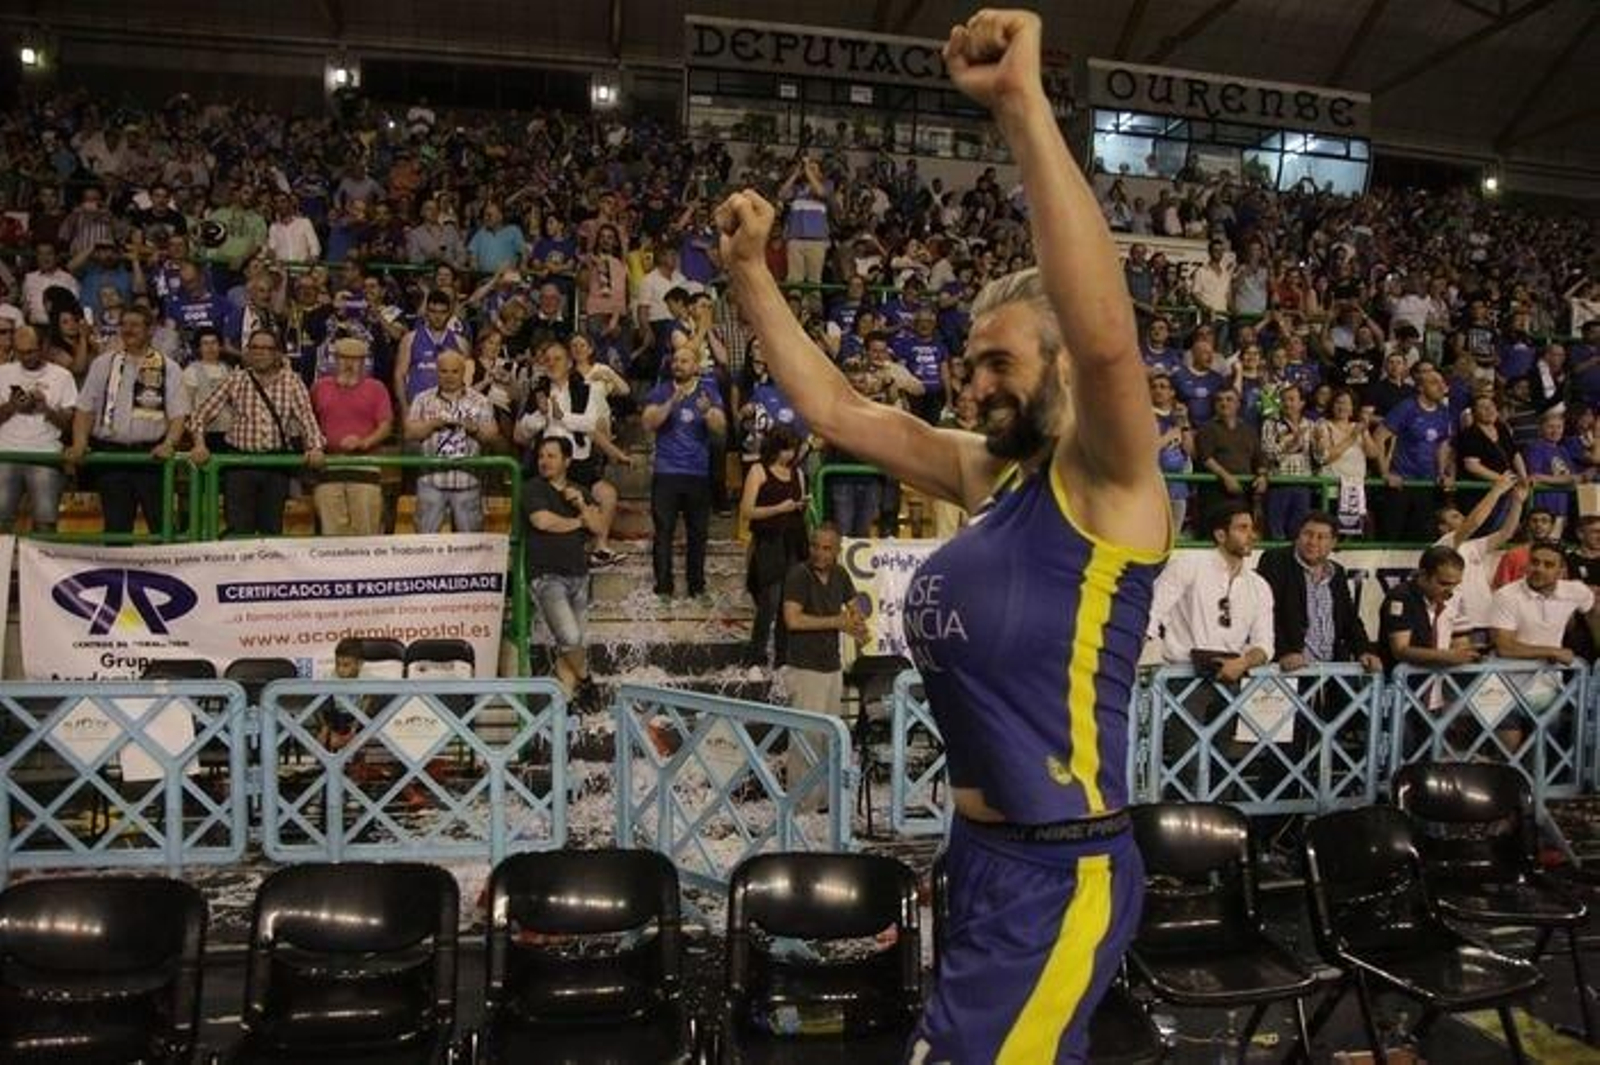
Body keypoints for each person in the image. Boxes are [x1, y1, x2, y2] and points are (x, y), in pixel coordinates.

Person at [717, 11, 1170, 1060]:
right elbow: (835, 411)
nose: (973, 385)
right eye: (968, 364)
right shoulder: (989, 476)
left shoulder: (1111, 484)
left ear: (1059, 366)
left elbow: (1106, 338)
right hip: (984, 858)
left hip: (1064, 872)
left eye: (999, 364)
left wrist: (1020, 106)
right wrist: (749, 271)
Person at [188, 329, 327, 536]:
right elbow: (200, 415)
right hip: (239, 464)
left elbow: (307, 419)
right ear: (248, 352)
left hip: (275, 465)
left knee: (271, 530)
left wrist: (315, 447)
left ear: (278, 353)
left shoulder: (292, 381)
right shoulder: (237, 379)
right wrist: (199, 444)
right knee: (238, 530)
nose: (260, 353)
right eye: (255, 348)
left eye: (267, 348)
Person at [68, 306, 189, 534]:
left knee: (160, 526)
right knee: (116, 527)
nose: (128, 330)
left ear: (150, 330)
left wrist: (169, 443)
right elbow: (85, 409)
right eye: (124, 325)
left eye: (135, 325)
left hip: (151, 458)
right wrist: (80, 442)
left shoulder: (168, 367)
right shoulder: (103, 364)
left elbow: (178, 414)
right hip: (110, 456)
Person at [525, 437, 605, 712]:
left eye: (551, 456)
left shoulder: (579, 491)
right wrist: (577, 522)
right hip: (547, 576)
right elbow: (543, 522)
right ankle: (587, 681)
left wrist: (582, 506)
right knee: (570, 638)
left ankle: (567, 705)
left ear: (567, 461)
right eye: (541, 456)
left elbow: (597, 527)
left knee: (571, 645)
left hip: (579, 576)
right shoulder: (532, 488)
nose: (544, 461)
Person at [641, 346, 725, 601]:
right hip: (666, 472)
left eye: (684, 361)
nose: (678, 364)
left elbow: (720, 428)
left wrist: (707, 411)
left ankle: (696, 587)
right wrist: (671, 403)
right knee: (663, 532)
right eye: (675, 360)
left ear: (696, 366)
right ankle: (664, 587)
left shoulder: (708, 390)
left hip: (697, 473)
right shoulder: (661, 390)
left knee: (698, 533)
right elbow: (648, 422)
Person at [1255, 511, 1381, 673]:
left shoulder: (1337, 573)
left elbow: (1350, 620)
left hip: (1330, 670)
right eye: (1308, 534)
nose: (1313, 542)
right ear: (1298, 536)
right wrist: (1283, 653)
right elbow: (1266, 615)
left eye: (1321, 537)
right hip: (1289, 669)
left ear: (1333, 542)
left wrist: (1364, 651)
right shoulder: (1276, 561)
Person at [405, 350, 500, 534]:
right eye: (444, 371)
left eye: (454, 371)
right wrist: (433, 423)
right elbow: (409, 432)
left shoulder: (479, 401)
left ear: (463, 372)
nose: (449, 376)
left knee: (470, 545)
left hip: (467, 482)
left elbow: (492, 434)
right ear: (436, 372)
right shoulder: (422, 399)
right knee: (425, 544)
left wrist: (474, 428)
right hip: (431, 482)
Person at [310, 337, 393, 536]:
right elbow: (309, 423)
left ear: (364, 362)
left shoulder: (376, 388)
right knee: (331, 532)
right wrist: (314, 446)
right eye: (344, 358)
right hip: (328, 466)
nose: (349, 364)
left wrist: (364, 442)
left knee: (365, 531)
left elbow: (385, 426)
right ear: (334, 360)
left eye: (355, 359)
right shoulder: (319, 387)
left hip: (364, 465)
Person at [741, 426, 808, 667]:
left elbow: (800, 509)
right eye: (787, 449)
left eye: (793, 449)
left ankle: (783, 659)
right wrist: (779, 508)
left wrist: (799, 506)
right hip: (769, 543)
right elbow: (747, 511)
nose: (791, 454)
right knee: (769, 602)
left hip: (794, 542)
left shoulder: (798, 474)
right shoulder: (758, 471)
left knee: (788, 605)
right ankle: (754, 659)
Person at [0, 325, 77, 533]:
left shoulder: (62, 376)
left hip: (46, 455)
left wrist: (46, 409)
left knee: (45, 524)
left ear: (44, 347)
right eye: (20, 352)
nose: (26, 357)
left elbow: (68, 424)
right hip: (6, 454)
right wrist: (11, 406)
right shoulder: (3, 373)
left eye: (31, 351)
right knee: (1, 523)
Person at [1378, 545, 1479, 671]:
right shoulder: (1401, 597)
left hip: (1437, 681)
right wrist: (1446, 656)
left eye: (1456, 584)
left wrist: (1466, 653)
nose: (1451, 591)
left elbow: (1460, 641)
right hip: (1402, 684)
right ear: (1424, 575)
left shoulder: (1455, 597)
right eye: (1444, 584)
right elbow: (1400, 650)